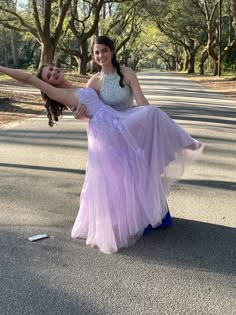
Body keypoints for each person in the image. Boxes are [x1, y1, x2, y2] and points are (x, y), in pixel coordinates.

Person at [0, 65, 204, 254]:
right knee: (127, 157)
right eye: (49, 76)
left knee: (138, 151)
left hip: (113, 120)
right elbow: (27, 77)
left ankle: (143, 211)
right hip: (105, 130)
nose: (54, 73)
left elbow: (92, 101)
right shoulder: (59, 93)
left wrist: (81, 115)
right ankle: (184, 143)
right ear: (49, 84)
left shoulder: (79, 86)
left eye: (53, 69)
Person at [74, 36, 172, 231]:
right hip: (109, 134)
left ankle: (146, 216)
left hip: (130, 127)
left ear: (112, 51)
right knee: (116, 176)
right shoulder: (93, 82)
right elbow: (91, 112)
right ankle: (123, 217)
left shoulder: (127, 73)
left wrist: (149, 122)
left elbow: (141, 101)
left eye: (103, 50)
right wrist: (80, 116)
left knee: (138, 171)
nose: (100, 55)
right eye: (96, 52)